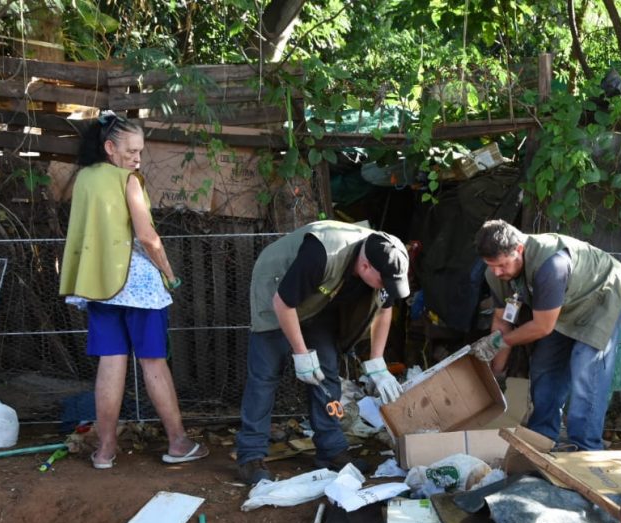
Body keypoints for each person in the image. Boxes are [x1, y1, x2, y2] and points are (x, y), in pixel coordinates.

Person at [59, 111, 209, 470]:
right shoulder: (128, 180)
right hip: (139, 286)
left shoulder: (84, 179)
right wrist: (169, 274)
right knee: (153, 361)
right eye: (131, 151)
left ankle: (105, 450)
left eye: (140, 151)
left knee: (110, 363)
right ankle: (178, 442)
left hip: (100, 285)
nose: (138, 158)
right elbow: (147, 237)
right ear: (110, 148)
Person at [234, 221, 409, 484]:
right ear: (365, 267)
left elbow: (385, 308)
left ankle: (331, 450)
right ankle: (251, 455)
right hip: (278, 286)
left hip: (321, 299)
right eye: (382, 281)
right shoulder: (320, 253)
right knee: (265, 374)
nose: (385, 286)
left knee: (327, 372)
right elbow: (283, 303)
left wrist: (377, 363)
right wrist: (301, 353)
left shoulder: (388, 257)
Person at [470, 220, 621, 451]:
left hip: (600, 296)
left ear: (519, 250)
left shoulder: (551, 266)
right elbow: (503, 321)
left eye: (502, 265)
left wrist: (499, 342)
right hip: (560, 307)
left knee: (586, 372)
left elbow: (542, 327)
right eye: (490, 265)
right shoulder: (495, 273)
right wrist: (494, 373)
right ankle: (541, 442)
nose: (497, 272)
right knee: (545, 368)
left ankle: (585, 449)